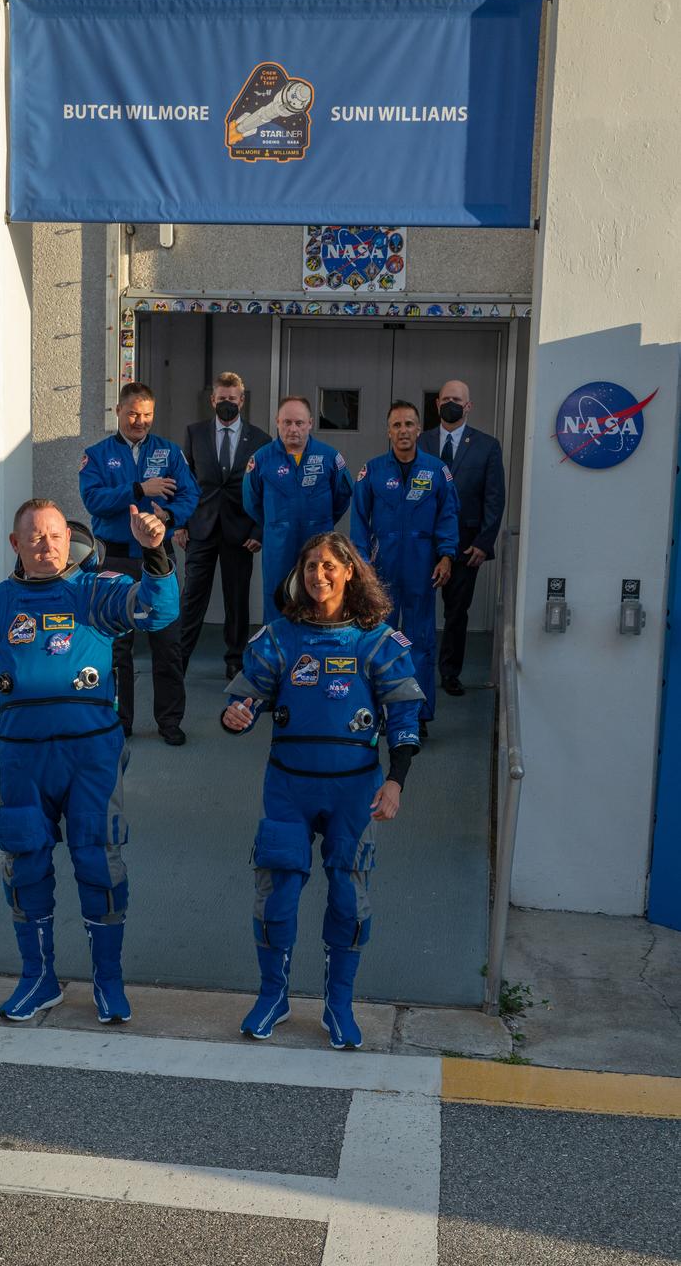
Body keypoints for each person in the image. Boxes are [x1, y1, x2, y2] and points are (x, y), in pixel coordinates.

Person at [0, 499, 179, 1023]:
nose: (46, 545)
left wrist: (156, 554)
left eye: (54, 535)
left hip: (91, 755)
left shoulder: (97, 590)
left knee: (98, 861)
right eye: (35, 537)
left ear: (69, 540)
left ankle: (107, 982)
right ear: (15, 543)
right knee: (25, 861)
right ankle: (38, 979)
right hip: (23, 757)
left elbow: (156, 611)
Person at [222, 532, 423, 1050]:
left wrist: (396, 781)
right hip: (288, 786)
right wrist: (236, 715)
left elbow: (404, 720)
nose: (319, 575)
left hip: (354, 790)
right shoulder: (279, 638)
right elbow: (246, 700)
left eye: (330, 565)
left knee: (349, 900)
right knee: (277, 897)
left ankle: (339, 1005)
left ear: (350, 571)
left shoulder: (377, 641)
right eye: (311, 566)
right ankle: (274, 996)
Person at [79, 382, 199, 744]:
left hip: (158, 557)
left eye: (147, 415)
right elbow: (94, 500)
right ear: (118, 411)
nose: (140, 421)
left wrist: (170, 516)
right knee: (118, 647)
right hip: (115, 559)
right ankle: (120, 720)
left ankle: (170, 721)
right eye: (133, 413)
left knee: (167, 643)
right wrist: (139, 490)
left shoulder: (169, 452)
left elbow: (191, 494)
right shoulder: (97, 455)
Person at [351, 400, 459, 736]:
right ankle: (379, 711)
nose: (403, 431)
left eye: (409, 424)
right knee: (379, 642)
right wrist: (362, 564)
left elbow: (448, 516)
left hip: (421, 569)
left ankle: (417, 715)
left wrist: (446, 555)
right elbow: (358, 520)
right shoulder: (372, 471)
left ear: (419, 429)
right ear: (388, 431)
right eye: (396, 425)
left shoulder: (436, 471)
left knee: (419, 643)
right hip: (381, 570)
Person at [176, 371, 271, 680]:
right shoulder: (195, 433)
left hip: (240, 533)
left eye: (232, 398)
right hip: (200, 528)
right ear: (212, 400)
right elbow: (184, 482)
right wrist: (180, 524)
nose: (226, 402)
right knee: (192, 598)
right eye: (221, 398)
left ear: (241, 401)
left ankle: (235, 659)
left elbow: (264, 491)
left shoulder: (260, 440)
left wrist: (258, 531)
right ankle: (179, 658)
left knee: (237, 600)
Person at [419, 380, 506, 696]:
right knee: (418, 609)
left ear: (468, 406)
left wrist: (484, 542)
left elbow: (494, 498)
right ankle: (415, 671)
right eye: (445, 399)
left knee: (456, 612)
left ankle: (450, 673)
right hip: (423, 542)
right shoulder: (420, 441)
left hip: (466, 544)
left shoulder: (487, 446)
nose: (450, 404)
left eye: (457, 399)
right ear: (437, 404)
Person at [243, 396, 353, 623]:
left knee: (319, 596)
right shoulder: (261, 459)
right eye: (287, 422)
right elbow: (251, 501)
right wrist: (275, 524)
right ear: (277, 422)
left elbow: (342, 496)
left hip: (318, 542)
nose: (293, 429)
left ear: (310, 423)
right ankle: (277, 645)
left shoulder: (329, 457)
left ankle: (316, 643)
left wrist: (322, 521)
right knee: (277, 598)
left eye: (299, 423)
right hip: (278, 544)